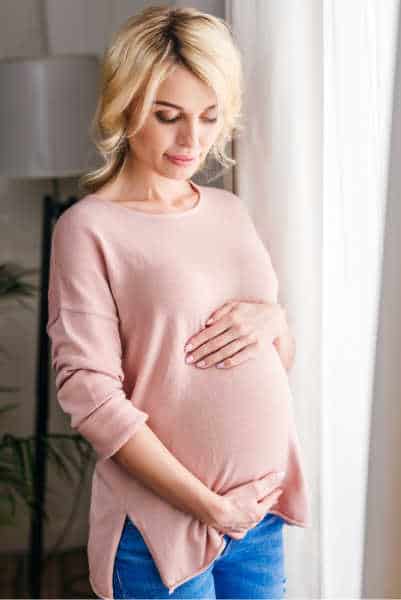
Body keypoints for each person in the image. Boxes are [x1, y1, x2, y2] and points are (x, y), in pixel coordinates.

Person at [46, 5, 311, 599]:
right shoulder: (89, 228)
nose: (192, 140)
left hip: (259, 515)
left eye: (209, 117)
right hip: (160, 523)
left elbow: (274, 358)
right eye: (168, 117)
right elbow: (91, 399)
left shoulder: (229, 212)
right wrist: (209, 506)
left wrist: (275, 320)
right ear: (126, 107)